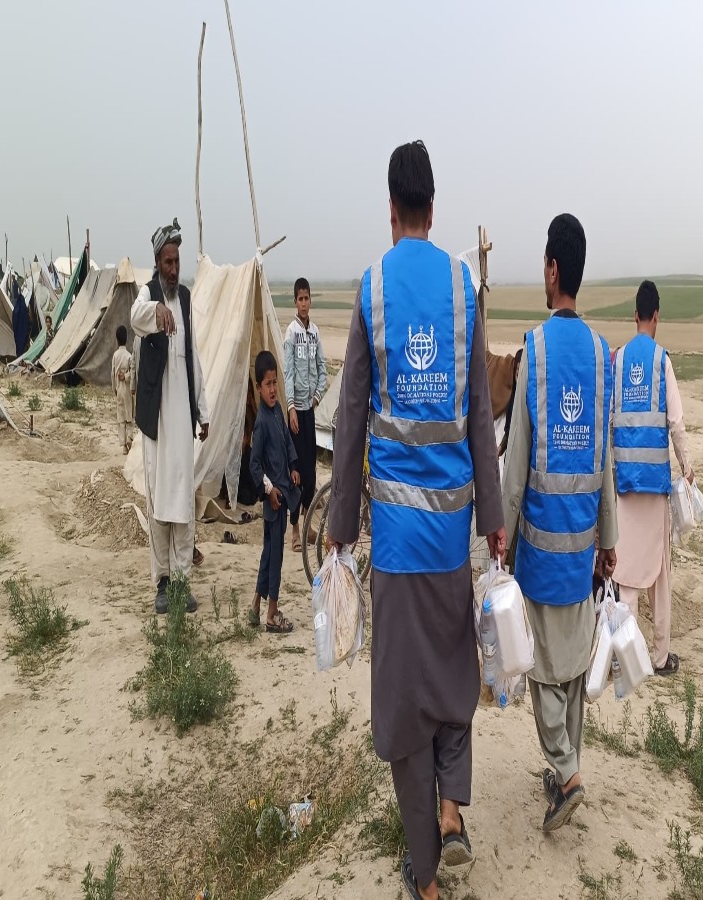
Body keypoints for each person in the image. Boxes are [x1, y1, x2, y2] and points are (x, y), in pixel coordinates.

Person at [327, 140, 506, 900]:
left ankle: (425, 873)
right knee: (456, 679)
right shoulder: (465, 290)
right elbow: (478, 420)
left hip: (397, 544)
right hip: (453, 540)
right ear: (432, 207)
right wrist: (493, 518)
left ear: (392, 208)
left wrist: (340, 523)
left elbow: (352, 415)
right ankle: (453, 811)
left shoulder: (371, 290)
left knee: (405, 703)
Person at [502, 213, 617, 834]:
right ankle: (565, 770)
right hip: (583, 548)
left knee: (544, 668)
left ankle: (567, 774)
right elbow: (606, 460)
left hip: (542, 545)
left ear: (552, 269)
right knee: (570, 667)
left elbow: (517, 453)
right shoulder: (602, 355)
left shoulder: (536, 349)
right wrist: (610, 541)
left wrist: (501, 528)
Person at [611, 280, 694, 676]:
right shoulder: (662, 361)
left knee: (625, 569)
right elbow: (675, 422)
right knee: (660, 571)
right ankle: (659, 657)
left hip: (625, 484)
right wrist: (687, 465)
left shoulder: (620, 359)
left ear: (635, 315)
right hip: (656, 486)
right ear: (656, 316)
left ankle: (623, 654)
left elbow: (610, 419)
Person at [131, 218, 209, 614]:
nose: (173, 268)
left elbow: (191, 355)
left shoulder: (188, 299)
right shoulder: (147, 296)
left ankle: (181, 581)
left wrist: (204, 410)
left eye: (177, 261)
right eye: (167, 261)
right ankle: (161, 581)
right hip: (156, 423)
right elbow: (135, 315)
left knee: (182, 501)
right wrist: (157, 308)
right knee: (160, 502)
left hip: (183, 423)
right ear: (157, 262)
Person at [248, 351, 300, 633]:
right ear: (258, 387)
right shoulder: (260, 423)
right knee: (275, 556)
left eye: (274, 383)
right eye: (266, 384)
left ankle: (256, 605)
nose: (271, 389)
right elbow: (254, 465)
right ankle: (272, 613)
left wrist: (293, 465)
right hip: (274, 502)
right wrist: (268, 489)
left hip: (283, 492)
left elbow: (288, 441)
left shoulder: (278, 411)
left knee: (269, 553)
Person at [283, 277, 327, 552]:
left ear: (310, 300)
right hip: (295, 412)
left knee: (310, 472)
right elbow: (288, 372)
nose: (303, 303)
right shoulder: (291, 333)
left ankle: (308, 523)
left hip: (309, 411)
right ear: (295, 301)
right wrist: (290, 407)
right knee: (295, 470)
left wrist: (316, 397)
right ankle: (295, 531)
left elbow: (322, 367)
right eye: (299, 299)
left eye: (306, 298)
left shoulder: (315, 333)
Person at [111, 325, 135, 454]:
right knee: (129, 414)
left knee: (120, 417)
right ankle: (130, 437)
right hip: (127, 388)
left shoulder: (115, 355)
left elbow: (113, 373)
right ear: (126, 339)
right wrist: (126, 377)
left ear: (117, 339)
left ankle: (124, 445)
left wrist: (114, 387)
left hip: (119, 390)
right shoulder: (128, 355)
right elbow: (132, 372)